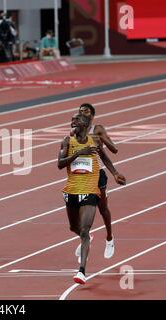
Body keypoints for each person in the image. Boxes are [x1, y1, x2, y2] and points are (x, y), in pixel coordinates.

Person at [58, 113, 126, 284]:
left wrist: (115, 173)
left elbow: (104, 158)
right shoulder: (67, 141)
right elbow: (60, 164)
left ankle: (81, 271)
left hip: (90, 190)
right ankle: (87, 237)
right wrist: (79, 153)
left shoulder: (94, 141)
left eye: (76, 120)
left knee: (84, 231)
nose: (72, 122)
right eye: (72, 119)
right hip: (71, 191)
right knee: (74, 227)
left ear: (85, 124)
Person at [76, 103, 119, 259]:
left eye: (86, 111)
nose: (83, 113)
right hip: (82, 174)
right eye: (80, 111)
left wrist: (101, 139)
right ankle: (85, 239)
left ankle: (109, 238)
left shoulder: (98, 129)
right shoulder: (75, 131)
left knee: (102, 209)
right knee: (82, 209)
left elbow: (113, 150)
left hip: (98, 174)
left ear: (92, 116)